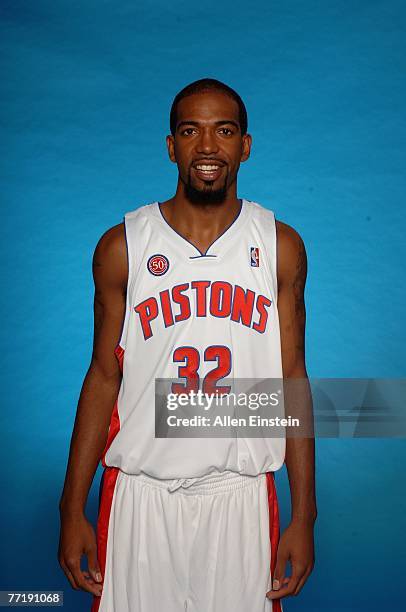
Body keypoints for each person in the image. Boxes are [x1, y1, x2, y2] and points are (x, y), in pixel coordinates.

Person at [58, 78, 317, 612]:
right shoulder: (123, 246)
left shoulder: (279, 245)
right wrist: (71, 509)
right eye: (190, 131)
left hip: (241, 498)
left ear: (244, 145)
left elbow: (293, 379)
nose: (206, 147)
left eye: (223, 131)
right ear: (171, 146)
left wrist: (304, 516)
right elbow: (103, 377)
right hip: (141, 497)